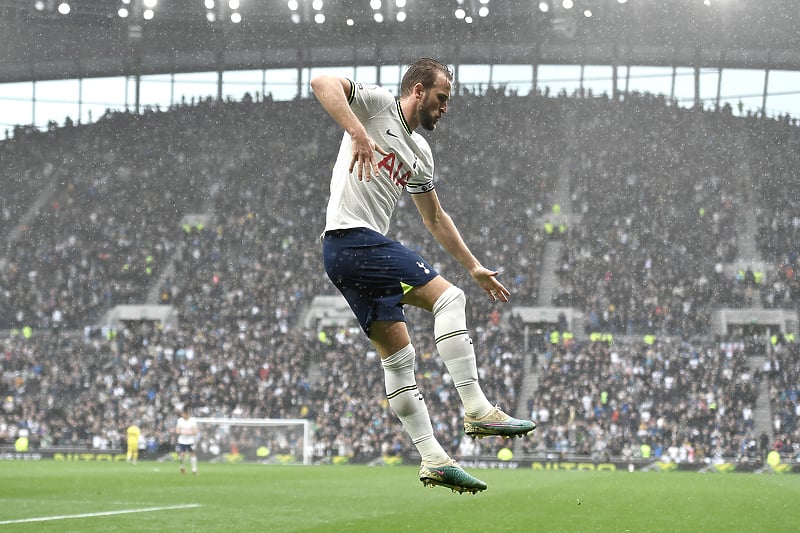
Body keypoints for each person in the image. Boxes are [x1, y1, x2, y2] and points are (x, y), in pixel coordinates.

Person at [311, 58, 535, 494]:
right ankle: (476, 408)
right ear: (417, 90)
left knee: (398, 358)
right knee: (449, 300)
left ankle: (433, 458)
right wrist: (356, 131)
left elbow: (434, 217)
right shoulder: (377, 107)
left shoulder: (421, 153)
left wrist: (473, 266)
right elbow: (321, 80)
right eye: (441, 97)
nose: (445, 107)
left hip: (348, 254)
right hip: (350, 238)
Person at [175, 409, 199, 475]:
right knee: (181, 455)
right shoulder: (180, 420)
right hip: (182, 441)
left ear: (187, 414)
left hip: (190, 441)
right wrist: (181, 432)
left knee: (192, 454)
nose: (182, 415)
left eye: (183, 414)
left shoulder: (193, 420)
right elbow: (177, 430)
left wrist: (189, 432)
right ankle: (182, 467)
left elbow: (196, 431)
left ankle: (194, 470)